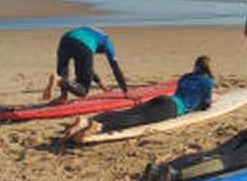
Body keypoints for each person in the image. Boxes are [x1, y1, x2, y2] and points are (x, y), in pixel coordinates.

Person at [63, 55, 216, 143]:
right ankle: (100, 127)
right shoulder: (208, 82)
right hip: (174, 108)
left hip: (164, 99)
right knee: (138, 119)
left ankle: (86, 121)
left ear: (196, 66)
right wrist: (207, 103)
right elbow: (205, 104)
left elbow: (181, 91)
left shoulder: (186, 77)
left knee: (127, 112)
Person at [43, 26, 130, 103]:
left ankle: (63, 96)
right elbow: (116, 69)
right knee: (83, 90)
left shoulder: (92, 31)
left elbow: (88, 69)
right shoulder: (108, 42)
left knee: (63, 67)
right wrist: (126, 91)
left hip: (65, 39)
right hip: (83, 45)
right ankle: (58, 80)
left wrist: (101, 84)